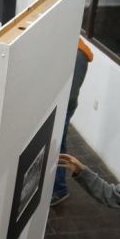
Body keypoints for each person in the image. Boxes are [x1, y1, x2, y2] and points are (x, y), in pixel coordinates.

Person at [50, 38, 93, 206]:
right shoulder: (66, 45)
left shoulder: (77, 55)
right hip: (57, 105)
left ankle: (59, 189)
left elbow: (70, 94)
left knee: (58, 145)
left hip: (62, 108)